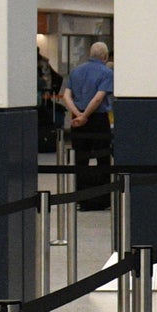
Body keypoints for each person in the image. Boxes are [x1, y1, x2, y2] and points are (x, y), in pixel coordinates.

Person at [61, 41, 115, 208]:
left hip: (78, 121)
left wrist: (78, 115)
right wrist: (86, 115)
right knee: (103, 158)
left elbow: (66, 96)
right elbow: (99, 98)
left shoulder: (76, 71)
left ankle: (81, 197)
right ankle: (103, 196)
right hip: (98, 120)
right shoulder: (107, 72)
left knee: (81, 159)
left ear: (90, 54)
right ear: (105, 56)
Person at [36, 47, 63, 154]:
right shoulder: (44, 62)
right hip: (45, 97)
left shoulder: (38, 62)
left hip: (40, 98)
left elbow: (42, 82)